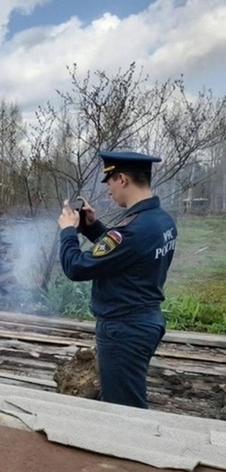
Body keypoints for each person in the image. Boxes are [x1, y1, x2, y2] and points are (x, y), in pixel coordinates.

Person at [57, 150, 177, 409]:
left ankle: (136, 448)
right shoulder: (161, 220)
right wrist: (92, 226)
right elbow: (124, 256)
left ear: (122, 179)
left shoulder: (133, 229)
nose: (109, 190)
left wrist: (68, 230)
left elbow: (76, 268)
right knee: (127, 395)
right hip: (145, 320)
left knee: (124, 410)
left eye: (109, 181)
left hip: (124, 330)